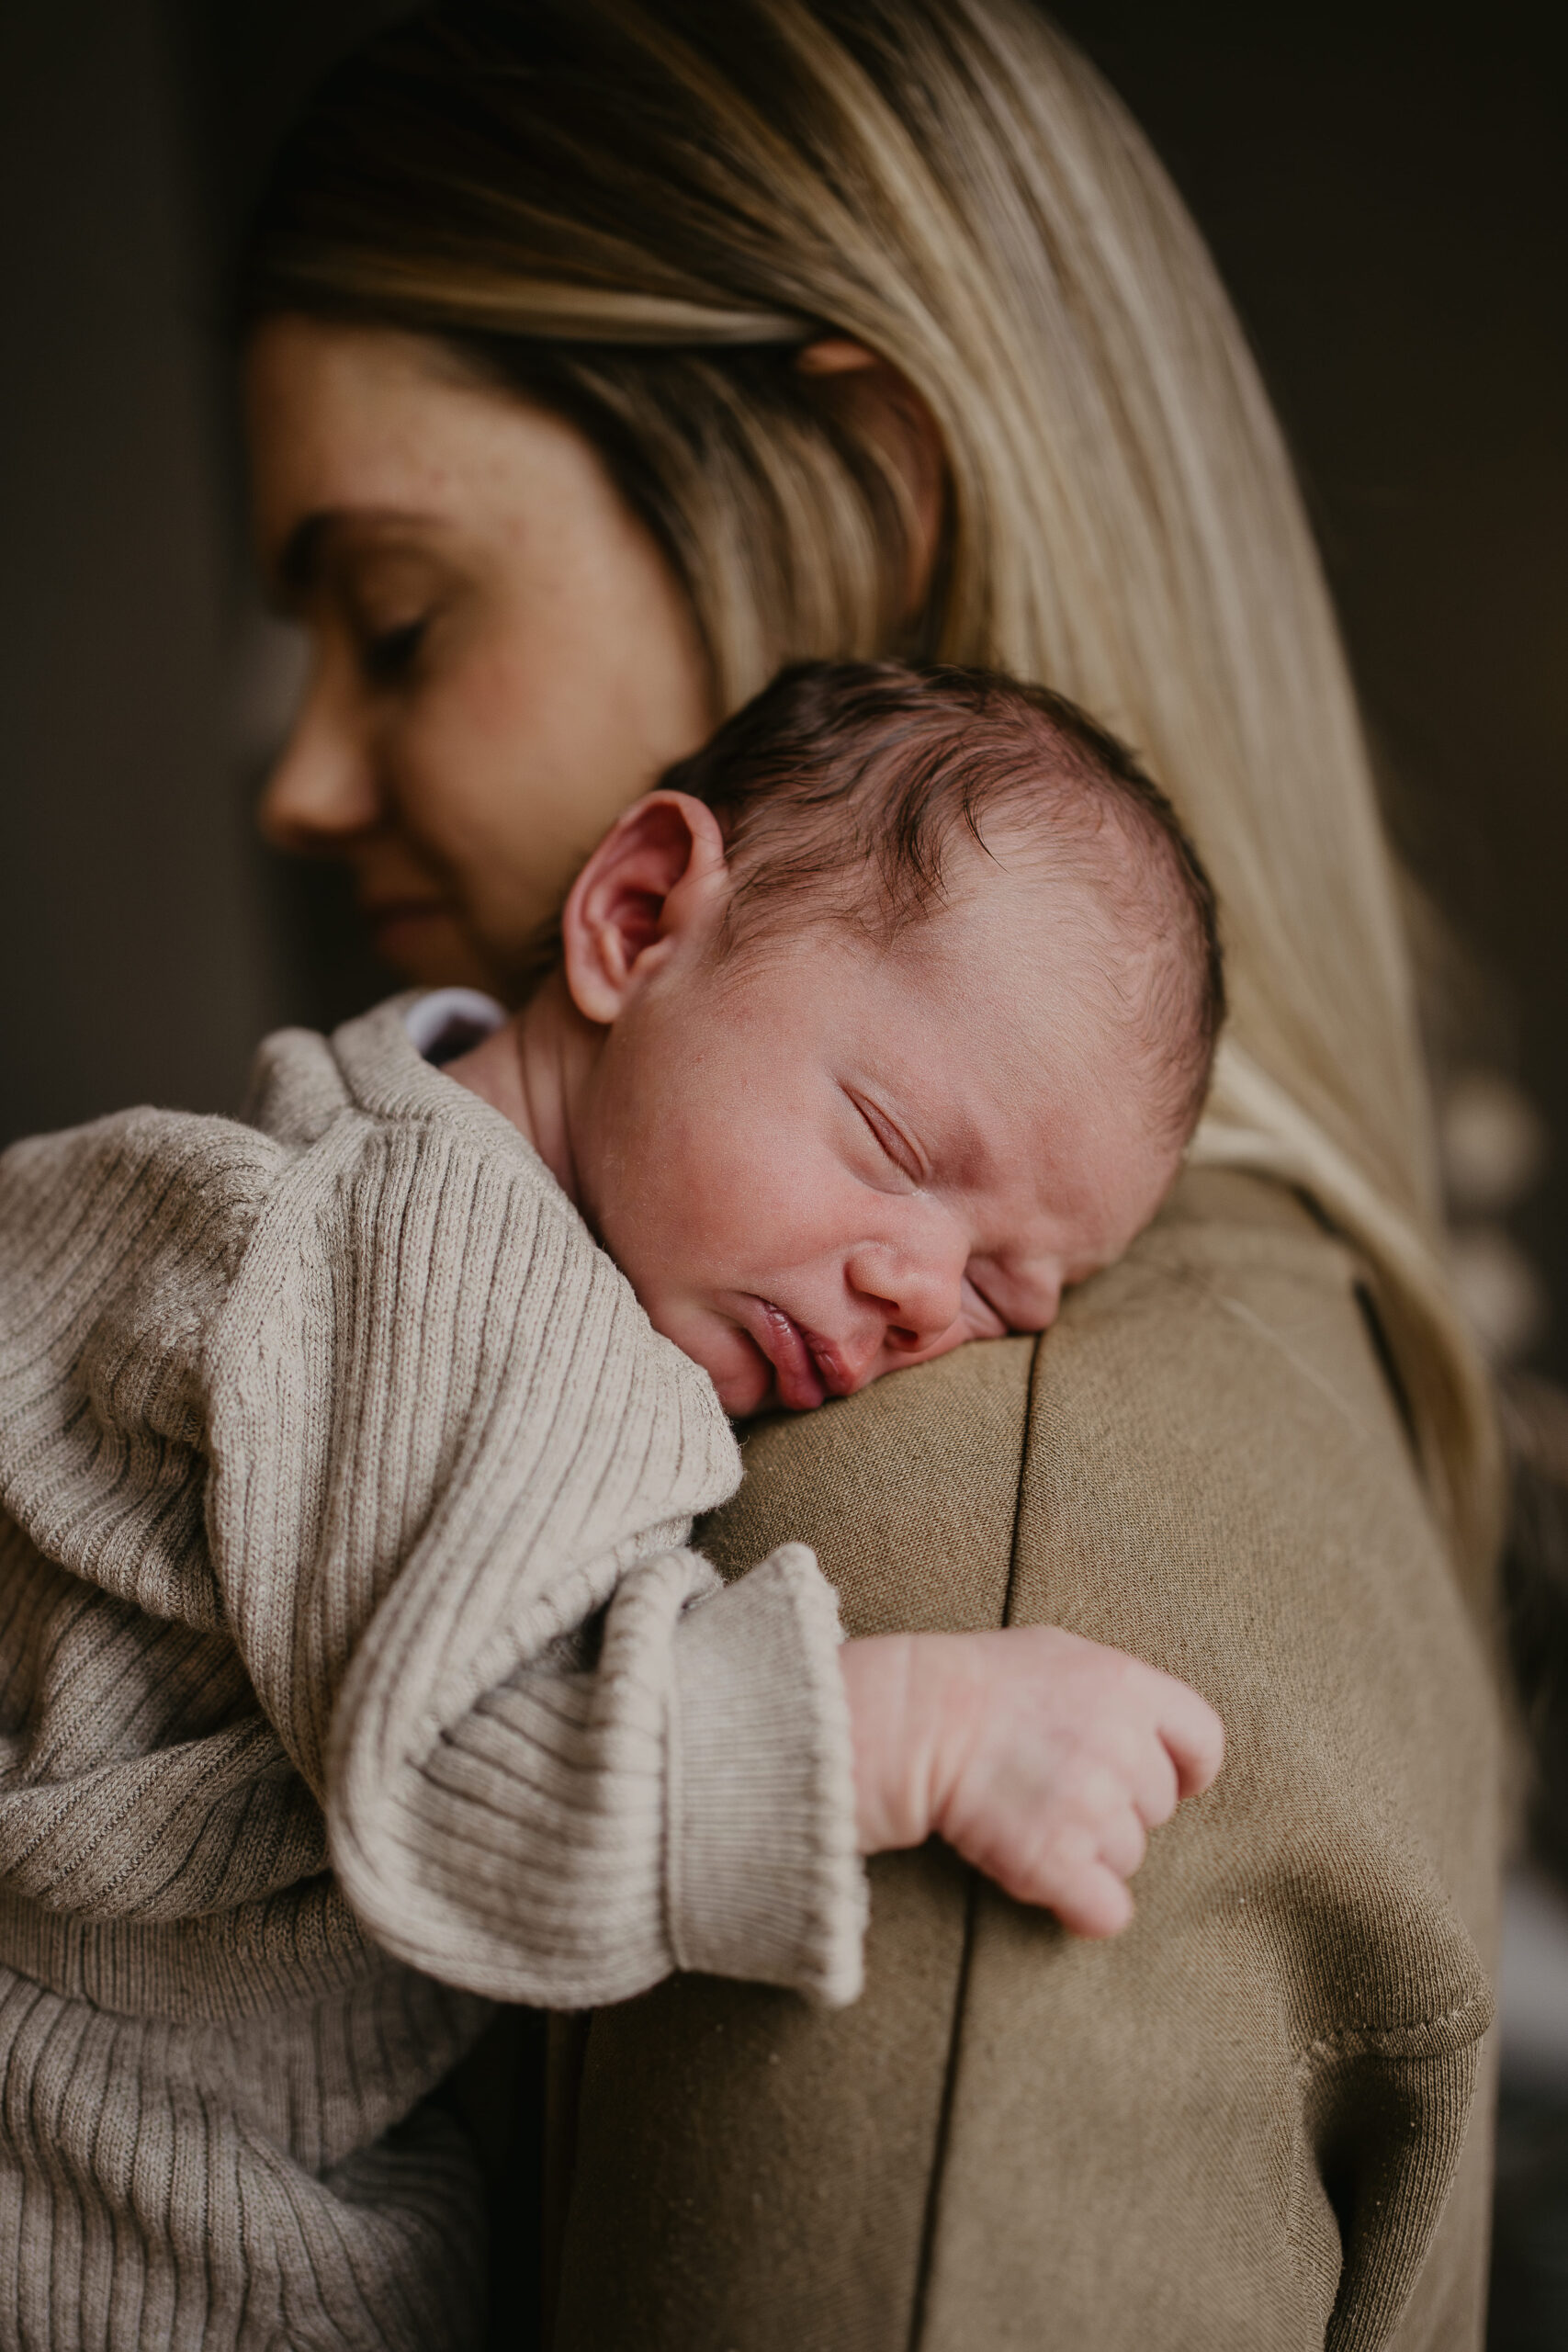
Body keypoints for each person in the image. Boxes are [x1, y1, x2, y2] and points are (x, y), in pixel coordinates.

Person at [228, 1, 1501, 2343]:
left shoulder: (943, 1522)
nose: (305, 774)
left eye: (395, 617)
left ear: (856, 494)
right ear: (634, 914)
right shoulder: (419, 1231)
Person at [0, 660, 1227, 2348]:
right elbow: (472, 1769)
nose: (917, 1293)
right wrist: (911, 1728)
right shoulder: (478, 1286)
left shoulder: (361, 1134)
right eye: (886, 1140)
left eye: (1007, 1294)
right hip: (96, 2188)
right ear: (640, 920)